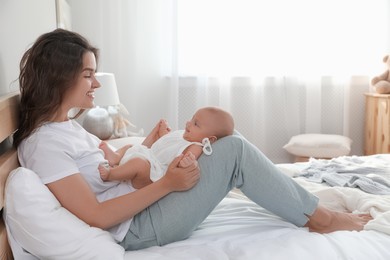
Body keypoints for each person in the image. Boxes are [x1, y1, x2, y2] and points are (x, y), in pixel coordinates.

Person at [14, 29, 371, 251]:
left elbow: (109, 164)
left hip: (145, 205)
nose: (97, 83)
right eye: (88, 74)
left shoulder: (68, 129)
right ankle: (320, 219)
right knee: (233, 149)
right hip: (140, 226)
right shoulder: (44, 144)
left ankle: (309, 210)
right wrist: (168, 183)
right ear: (60, 78)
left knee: (226, 141)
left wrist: (148, 145)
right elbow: (96, 216)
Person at [98, 107, 234, 189]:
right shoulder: (184, 135)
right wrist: (164, 134)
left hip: (154, 173)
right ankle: (115, 157)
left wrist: (187, 162)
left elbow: (184, 161)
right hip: (149, 156)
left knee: (138, 163)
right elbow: (167, 146)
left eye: (196, 124)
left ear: (209, 139)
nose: (188, 123)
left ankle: (111, 174)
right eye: (192, 119)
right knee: (131, 146)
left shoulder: (196, 146)